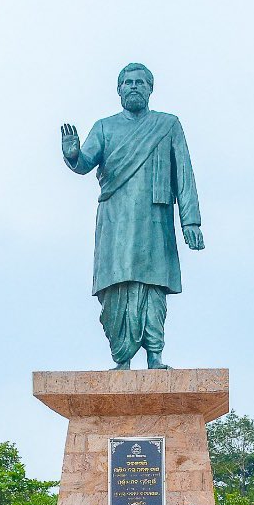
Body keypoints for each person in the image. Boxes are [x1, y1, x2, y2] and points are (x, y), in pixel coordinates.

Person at [60, 63, 204, 369]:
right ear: (119, 90)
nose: (134, 86)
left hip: (155, 218)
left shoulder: (168, 125)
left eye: (140, 82)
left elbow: (185, 176)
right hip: (115, 220)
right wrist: (72, 155)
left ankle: (155, 356)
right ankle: (122, 359)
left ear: (150, 89)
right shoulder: (105, 127)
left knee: (152, 285)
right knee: (116, 287)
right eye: (128, 82)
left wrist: (190, 220)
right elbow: (85, 163)